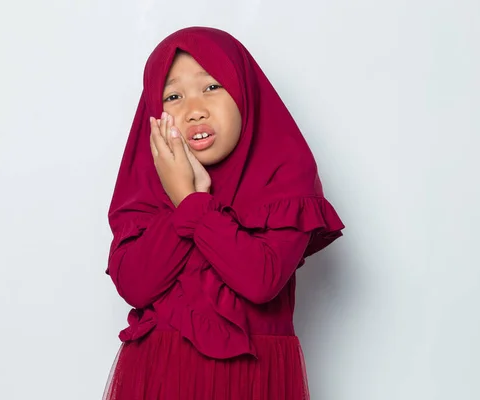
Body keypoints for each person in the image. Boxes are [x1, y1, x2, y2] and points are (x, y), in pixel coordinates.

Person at [103, 26, 345, 400]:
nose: (194, 109)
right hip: (158, 378)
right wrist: (179, 195)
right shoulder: (147, 183)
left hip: (251, 382)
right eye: (173, 96)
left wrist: (190, 202)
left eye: (212, 87)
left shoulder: (285, 174)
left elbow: (260, 279)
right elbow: (135, 285)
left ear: (244, 92)